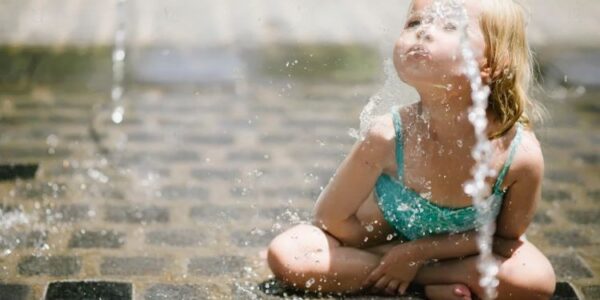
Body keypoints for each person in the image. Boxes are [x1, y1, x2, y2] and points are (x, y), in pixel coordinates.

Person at [266, 0, 556, 299]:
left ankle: (413, 276)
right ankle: (424, 282)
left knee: (534, 279)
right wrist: (389, 253)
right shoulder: (388, 136)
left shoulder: (518, 156)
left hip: (451, 255)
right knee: (290, 254)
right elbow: (330, 219)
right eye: (414, 23)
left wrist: (418, 253)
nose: (425, 32)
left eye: (450, 26)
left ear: (492, 64)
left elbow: (505, 239)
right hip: (371, 249)